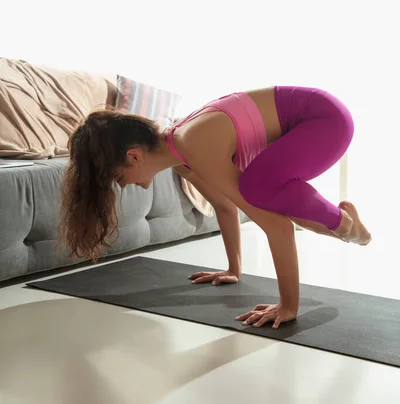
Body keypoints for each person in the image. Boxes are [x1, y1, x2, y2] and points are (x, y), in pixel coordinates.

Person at [59, 85, 371, 330]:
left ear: (134, 156)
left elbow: (277, 227)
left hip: (324, 120)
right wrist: (233, 269)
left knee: (258, 189)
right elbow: (224, 205)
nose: (122, 185)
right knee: (264, 192)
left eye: (117, 177)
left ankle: (347, 226)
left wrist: (288, 306)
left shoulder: (192, 143)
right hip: (311, 121)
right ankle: (348, 227)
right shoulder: (182, 156)